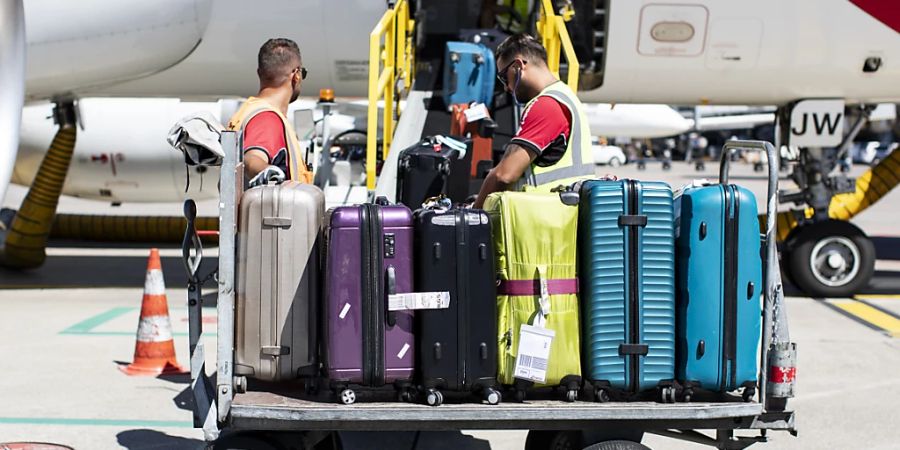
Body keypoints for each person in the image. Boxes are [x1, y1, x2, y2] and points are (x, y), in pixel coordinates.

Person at [473, 33, 593, 208]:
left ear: (518, 66)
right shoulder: (564, 95)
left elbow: (505, 174)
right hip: (563, 219)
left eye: (504, 78)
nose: (506, 87)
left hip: (547, 224)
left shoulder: (546, 105)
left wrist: (475, 213)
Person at [227, 38, 313, 183]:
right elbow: (252, 159)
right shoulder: (267, 118)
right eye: (302, 73)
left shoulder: (249, 110)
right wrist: (267, 172)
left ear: (259, 73)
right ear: (296, 75)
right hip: (268, 206)